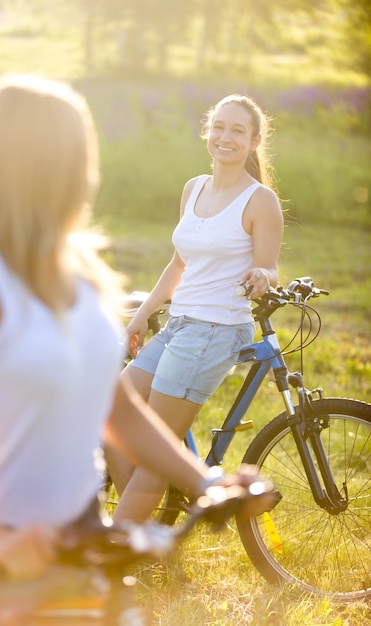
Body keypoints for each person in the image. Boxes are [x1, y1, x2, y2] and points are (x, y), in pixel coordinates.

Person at [0, 76, 273, 622]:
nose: (87, 172)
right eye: (75, 153)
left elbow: (114, 409)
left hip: (80, 540)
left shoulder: (81, 279)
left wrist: (206, 483)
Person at [107, 94, 284, 523]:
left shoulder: (260, 201)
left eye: (238, 130)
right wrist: (144, 313)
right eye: (219, 127)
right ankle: (144, 535)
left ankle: (117, 555)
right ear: (208, 131)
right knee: (110, 419)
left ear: (255, 140)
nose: (226, 137)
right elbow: (178, 264)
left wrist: (262, 276)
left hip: (215, 331)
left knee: (156, 452)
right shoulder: (193, 188)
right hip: (178, 325)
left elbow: (270, 269)